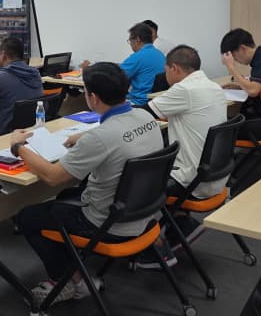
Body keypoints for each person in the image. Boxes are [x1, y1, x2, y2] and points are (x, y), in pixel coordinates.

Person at [13, 62, 164, 306]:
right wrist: (85, 137)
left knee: (28, 217)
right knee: (64, 198)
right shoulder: (144, 116)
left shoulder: (100, 138)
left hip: (108, 224)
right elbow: (116, 135)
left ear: (93, 97)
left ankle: (71, 282)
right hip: (144, 215)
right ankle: (73, 269)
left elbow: (52, 177)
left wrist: (18, 147)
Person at [138, 45, 226, 268]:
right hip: (215, 176)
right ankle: (181, 224)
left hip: (191, 179)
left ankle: (153, 248)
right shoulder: (213, 86)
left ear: (174, 68)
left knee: (134, 186)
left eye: (166, 69)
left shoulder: (184, 90)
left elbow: (144, 114)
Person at [82, 22, 165, 107]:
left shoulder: (138, 57)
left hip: (138, 102)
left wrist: (87, 70)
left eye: (130, 40)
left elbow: (114, 78)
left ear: (137, 40)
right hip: (154, 102)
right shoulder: (160, 54)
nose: (130, 44)